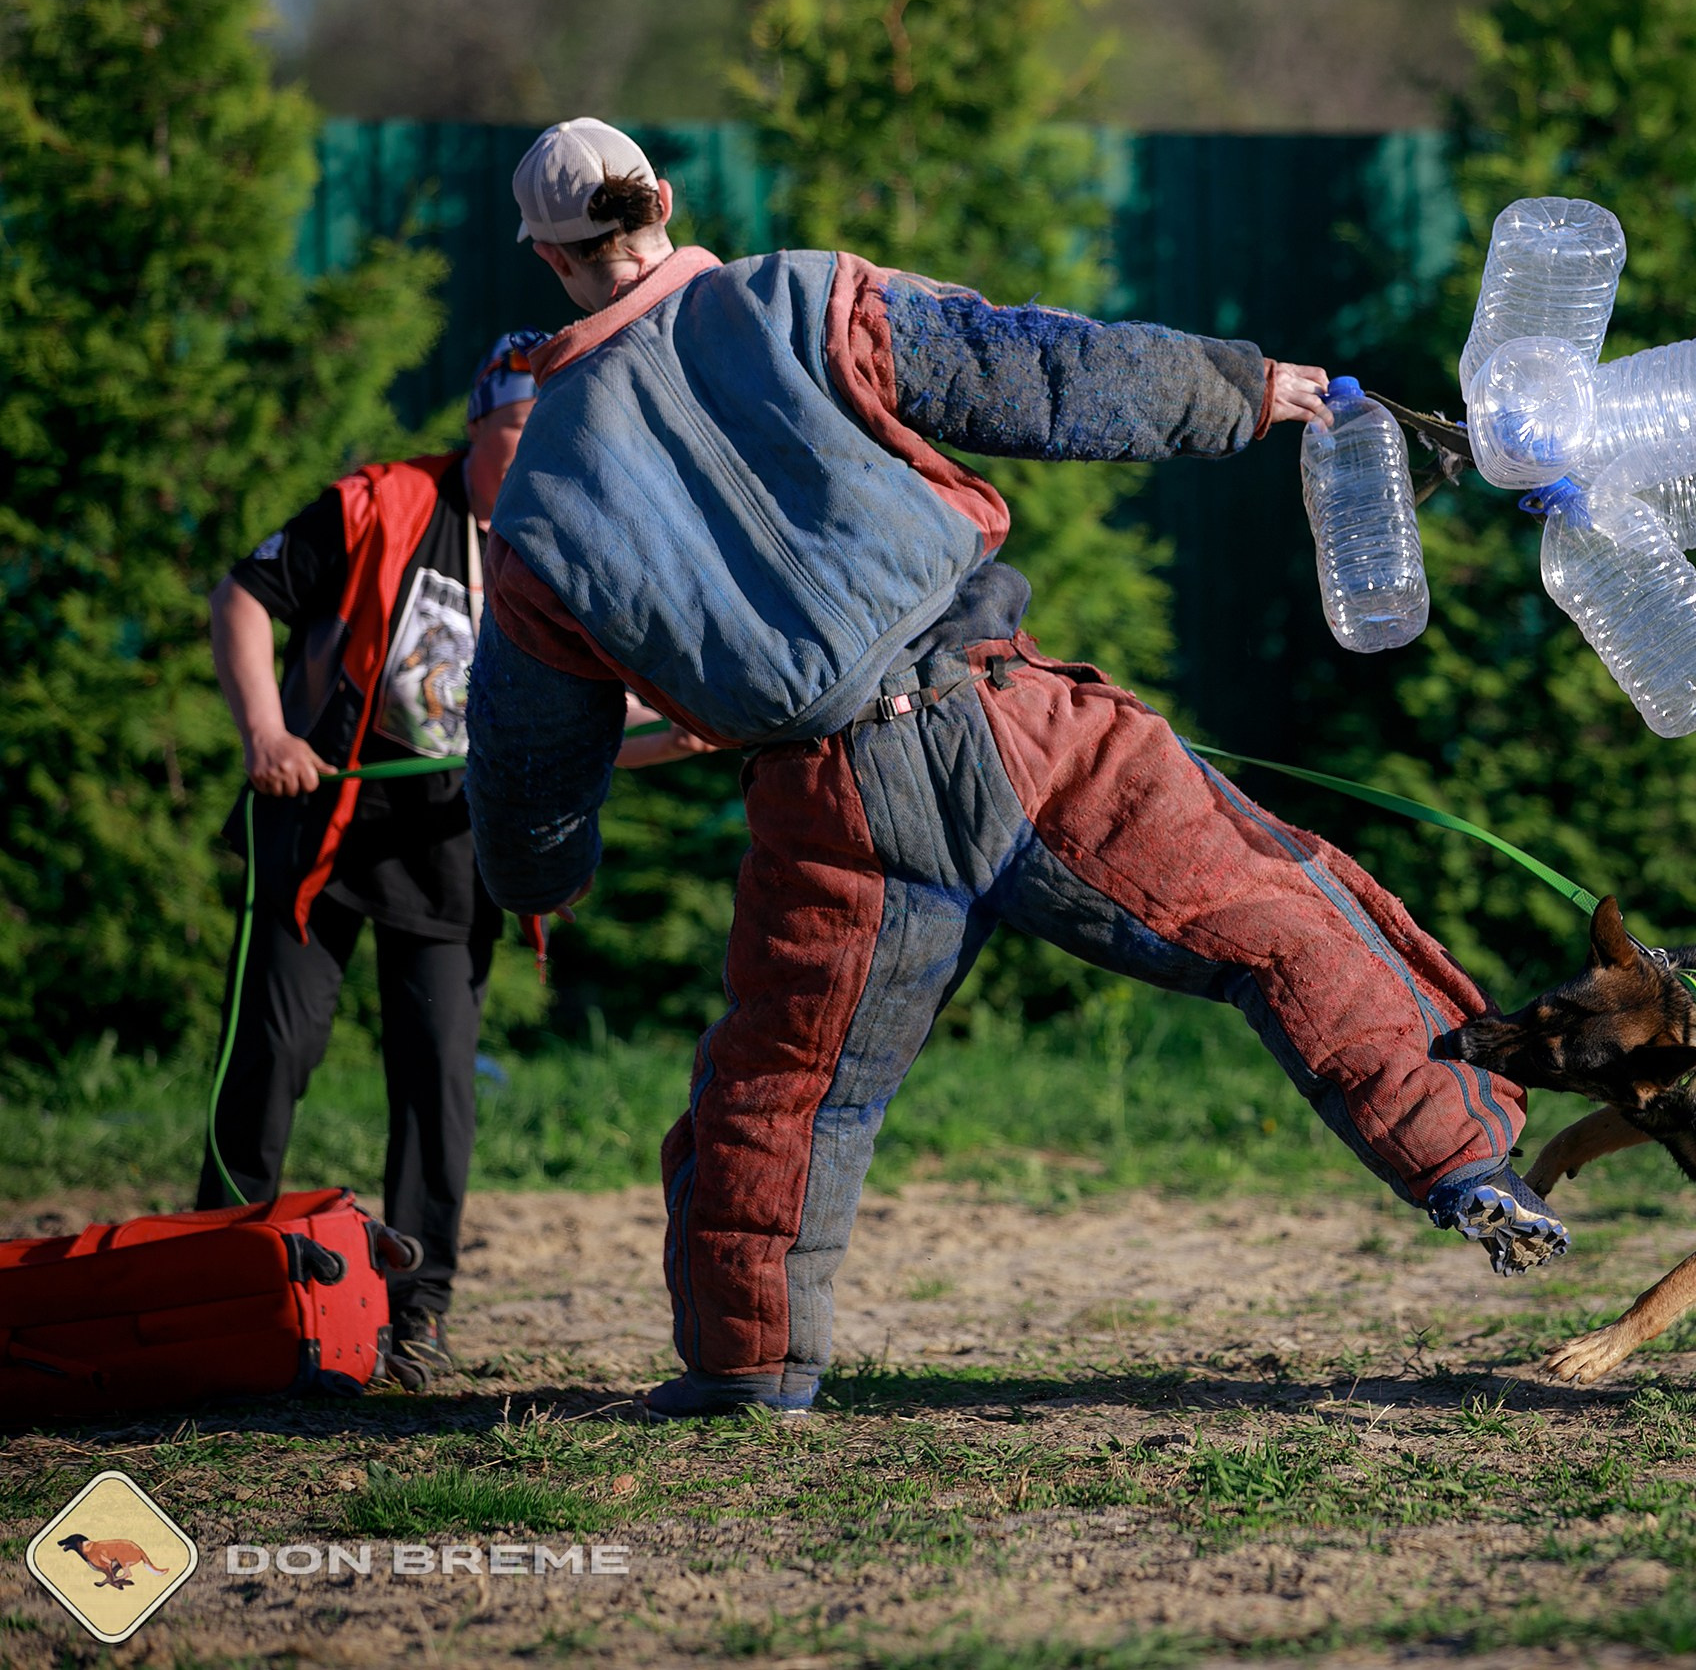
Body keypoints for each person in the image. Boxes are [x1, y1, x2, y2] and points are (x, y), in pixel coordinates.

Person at [467, 118, 1570, 1419]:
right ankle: (1466, 1159)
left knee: (782, 1084)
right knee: (1282, 910)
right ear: (666, 201)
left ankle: (745, 1367)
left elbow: (529, 758)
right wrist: (1244, 387)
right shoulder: (807, 300)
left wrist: (542, 869)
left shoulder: (536, 509)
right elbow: (1038, 370)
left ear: (548, 261)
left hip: (832, 811)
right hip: (1018, 721)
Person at [201, 331, 707, 1388]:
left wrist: (670, 733)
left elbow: (585, 720)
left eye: (557, 439)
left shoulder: (569, 553)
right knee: (273, 1058)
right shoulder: (380, 503)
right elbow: (245, 595)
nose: (536, 460)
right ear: (480, 426)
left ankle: (416, 1312)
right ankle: (218, 1283)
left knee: (439, 1085)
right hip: (325, 825)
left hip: (452, 850)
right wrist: (265, 734)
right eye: (521, 431)